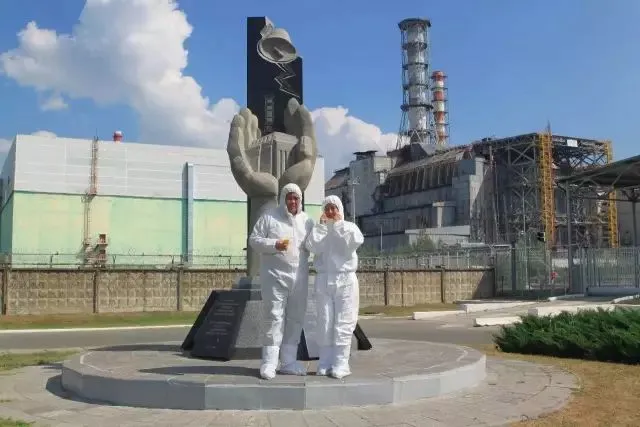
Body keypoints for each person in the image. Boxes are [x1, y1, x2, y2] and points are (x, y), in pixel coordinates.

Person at [248, 182, 314, 380]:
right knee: (274, 317)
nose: (292, 201)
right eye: (289, 198)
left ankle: (288, 362)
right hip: (275, 277)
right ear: (283, 199)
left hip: (299, 278)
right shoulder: (269, 217)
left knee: (295, 319)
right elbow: (254, 240)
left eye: (296, 198)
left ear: (300, 200)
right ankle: (269, 362)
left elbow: (315, 244)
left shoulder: (307, 221)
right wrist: (274, 245)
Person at [305, 195, 364, 379]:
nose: (330, 212)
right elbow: (311, 246)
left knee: (344, 322)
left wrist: (338, 226)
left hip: (345, 279)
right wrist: (321, 227)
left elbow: (352, 243)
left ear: (340, 210)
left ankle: (341, 363)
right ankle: (325, 362)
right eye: (327, 209)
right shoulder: (320, 229)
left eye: (334, 208)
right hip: (324, 279)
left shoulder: (349, 227)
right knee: (324, 321)